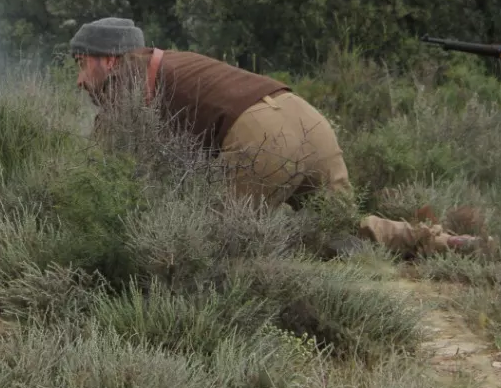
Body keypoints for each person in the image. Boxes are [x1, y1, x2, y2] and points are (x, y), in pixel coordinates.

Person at [69, 17, 478, 257]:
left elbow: (103, 172)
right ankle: (442, 242)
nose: (79, 77)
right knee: (339, 227)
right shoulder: (174, 64)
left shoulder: (125, 78)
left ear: (108, 60)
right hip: (305, 118)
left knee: (220, 243)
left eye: (81, 63)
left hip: (261, 134)